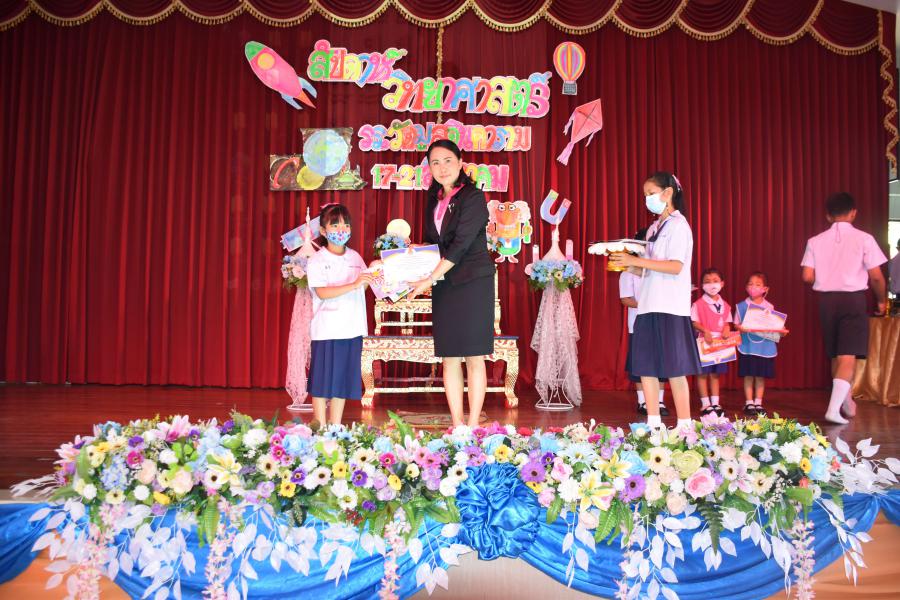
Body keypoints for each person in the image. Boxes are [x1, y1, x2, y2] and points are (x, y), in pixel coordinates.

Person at [408, 140, 496, 428]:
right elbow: (436, 244)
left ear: (460, 163)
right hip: (445, 283)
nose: (442, 168)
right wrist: (414, 252)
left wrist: (429, 278)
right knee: (449, 357)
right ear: (429, 168)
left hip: (473, 283)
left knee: (474, 356)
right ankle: (458, 425)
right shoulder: (433, 199)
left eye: (448, 160)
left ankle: (473, 425)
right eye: (435, 162)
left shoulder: (473, 197)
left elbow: (460, 245)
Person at [610, 171, 701, 430]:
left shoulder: (679, 226)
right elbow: (650, 270)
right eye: (645, 195)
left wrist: (635, 261)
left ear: (668, 193)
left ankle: (684, 426)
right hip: (647, 306)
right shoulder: (653, 228)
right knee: (646, 367)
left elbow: (674, 266)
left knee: (675, 369)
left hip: (670, 307)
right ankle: (653, 424)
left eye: (651, 193)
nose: (647, 199)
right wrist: (628, 265)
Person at [801, 192, 887, 424]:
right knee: (847, 356)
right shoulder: (864, 238)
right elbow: (876, 276)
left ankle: (845, 401)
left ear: (828, 216)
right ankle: (833, 409)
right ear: (853, 213)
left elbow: (807, 276)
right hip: (852, 300)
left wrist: (827, 276)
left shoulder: (815, 241)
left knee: (836, 354)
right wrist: (881, 300)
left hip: (827, 302)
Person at [306, 204, 373, 426]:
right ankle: (319, 426)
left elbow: (363, 286)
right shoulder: (317, 260)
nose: (341, 229)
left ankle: (335, 426)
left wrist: (375, 272)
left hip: (352, 328)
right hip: (328, 329)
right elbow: (322, 292)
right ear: (323, 231)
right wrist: (354, 284)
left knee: (341, 382)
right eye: (335, 225)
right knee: (322, 381)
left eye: (346, 225)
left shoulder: (355, 257)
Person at [619, 227, 668, 416]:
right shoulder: (628, 272)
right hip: (638, 324)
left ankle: (659, 402)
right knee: (641, 364)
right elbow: (626, 299)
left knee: (660, 364)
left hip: (660, 322)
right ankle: (643, 402)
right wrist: (647, 303)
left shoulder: (660, 269)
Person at [733, 272, 784, 416]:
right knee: (748, 375)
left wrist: (780, 331)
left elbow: (774, 326)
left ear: (765, 289)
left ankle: (758, 402)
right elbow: (736, 324)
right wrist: (741, 328)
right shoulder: (741, 306)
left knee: (760, 376)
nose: (753, 287)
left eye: (757, 284)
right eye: (750, 284)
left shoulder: (769, 307)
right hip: (748, 346)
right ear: (746, 287)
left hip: (764, 347)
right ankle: (749, 402)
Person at [691, 268, 733, 417]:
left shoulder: (726, 305)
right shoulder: (698, 304)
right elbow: (694, 322)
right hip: (704, 343)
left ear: (722, 283)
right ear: (702, 285)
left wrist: (727, 328)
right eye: (707, 282)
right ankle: (705, 404)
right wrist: (705, 330)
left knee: (715, 374)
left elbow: (727, 322)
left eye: (715, 281)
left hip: (719, 345)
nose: (712, 284)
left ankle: (715, 403)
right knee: (702, 374)